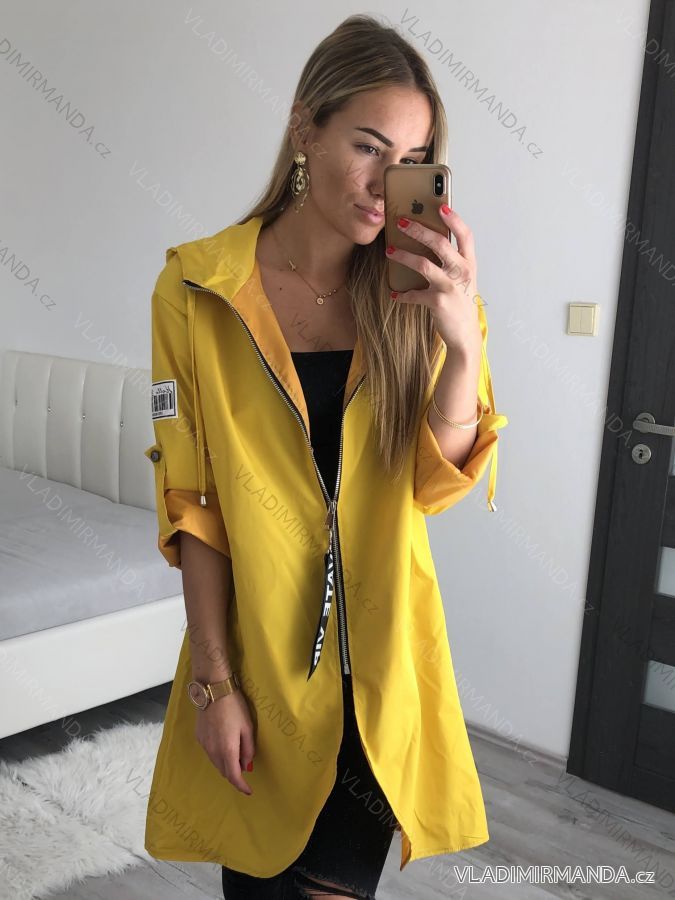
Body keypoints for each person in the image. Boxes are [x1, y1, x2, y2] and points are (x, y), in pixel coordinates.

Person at [143, 13, 508, 900]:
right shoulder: (196, 290)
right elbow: (194, 504)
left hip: (381, 674)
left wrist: (460, 344)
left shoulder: (425, 299)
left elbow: (433, 487)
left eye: (411, 158)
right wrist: (213, 684)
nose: (386, 184)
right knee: (256, 885)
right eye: (367, 146)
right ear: (305, 127)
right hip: (262, 672)